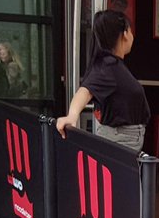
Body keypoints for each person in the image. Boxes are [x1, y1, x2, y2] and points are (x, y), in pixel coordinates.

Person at [56, 10, 149, 152]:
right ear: (125, 34)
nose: (132, 36)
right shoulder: (108, 66)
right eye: (131, 31)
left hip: (122, 137)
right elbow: (85, 91)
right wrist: (72, 115)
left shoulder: (110, 65)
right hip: (121, 139)